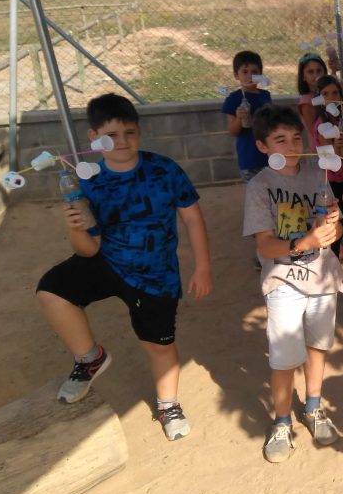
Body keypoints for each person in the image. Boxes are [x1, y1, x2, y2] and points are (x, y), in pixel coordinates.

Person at [36, 93, 212, 441]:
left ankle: (168, 404)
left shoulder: (164, 169)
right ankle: (90, 358)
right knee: (52, 290)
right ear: (93, 137)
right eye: (111, 135)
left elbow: (192, 218)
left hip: (156, 276)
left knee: (158, 345)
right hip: (108, 261)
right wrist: (75, 228)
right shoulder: (88, 180)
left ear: (139, 132)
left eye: (130, 132)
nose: (122, 141)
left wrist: (203, 266)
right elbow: (88, 248)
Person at [243, 104, 343, 463]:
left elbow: (335, 231)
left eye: (296, 138)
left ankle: (313, 407)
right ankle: (282, 421)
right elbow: (265, 246)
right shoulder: (259, 187)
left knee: (318, 346)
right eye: (280, 140)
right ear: (262, 146)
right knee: (285, 358)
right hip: (283, 283)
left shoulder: (318, 174)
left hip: (323, 278)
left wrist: (334, 223)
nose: (291, 146)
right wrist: (304, 243)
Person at [313, 75, 343, 258]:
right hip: (331, 180)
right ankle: (330, 260)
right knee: (332, 222)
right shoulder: (322, 124)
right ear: (319, 99)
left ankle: (334, 255)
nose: (331, 97)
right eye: (325, 94)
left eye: (335, 93)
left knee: (340, 219)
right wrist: (337, 145)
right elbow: (329, 157)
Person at [223, 49, 272, 182]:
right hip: (249, 158)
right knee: (255, 191)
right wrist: (239, 118)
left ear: (260, 75)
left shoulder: (265, 96)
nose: (250, 75)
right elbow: (233, 131)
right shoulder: (234, 98)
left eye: (254, 72)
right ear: (236, 75)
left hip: (269, 155)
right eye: (245, 72)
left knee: (273, 190)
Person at [296, 52, 330, 147]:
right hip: (320, 150)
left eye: (319, 71)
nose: (316, 75)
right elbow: (314, 132)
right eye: (310, 72)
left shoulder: (326, 94)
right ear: (303, 77)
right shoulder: (306, 102)